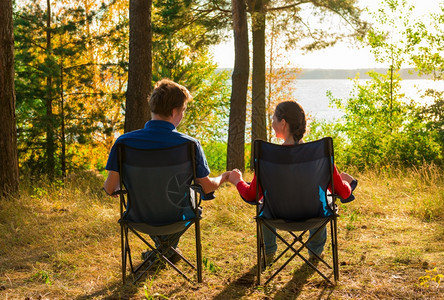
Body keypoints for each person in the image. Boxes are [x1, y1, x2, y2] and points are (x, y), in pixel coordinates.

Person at [103, 78, 230, 263]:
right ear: (174, 112)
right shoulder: (189, 145)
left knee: (155, 196)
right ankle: (167, 251)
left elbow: (109, 188)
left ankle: (162, 252)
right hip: (177, 217)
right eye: (183, 111)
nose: (183, 116)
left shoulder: (123, 143)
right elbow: (207, 188)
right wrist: (224, 177)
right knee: (188, 197)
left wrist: (117, 188)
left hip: (139, 216)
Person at [227, 100, 357, 265]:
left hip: (276, 217)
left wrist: (237, 181)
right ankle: (315, 253)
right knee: (326, 200)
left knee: (262, 204)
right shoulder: (319, 155)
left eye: (273, 119)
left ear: (283, 123)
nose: (272, 123)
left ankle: (268, 252)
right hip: (313, 216)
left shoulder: (268, 157)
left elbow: (252, 195)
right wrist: (346, 181)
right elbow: (344, 193)